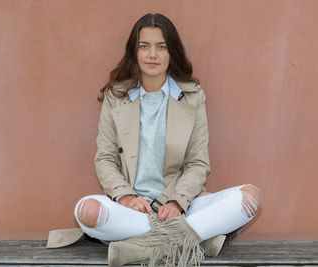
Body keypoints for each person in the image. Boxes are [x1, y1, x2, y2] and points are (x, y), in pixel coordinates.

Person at [65, 13, 262, 267]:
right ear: (134, 52)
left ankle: (139, 247)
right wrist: (125, 197)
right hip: (132, 212)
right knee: (86, 211)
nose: (152, 55)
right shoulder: (116, 97)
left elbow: (198, 163)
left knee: (250, 198)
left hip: (182, 207)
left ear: (172, 53)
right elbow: (104, 158)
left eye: (161, 47)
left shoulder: (193, 97)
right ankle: (196, 238)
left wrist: (177, 201)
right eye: (144, 46)